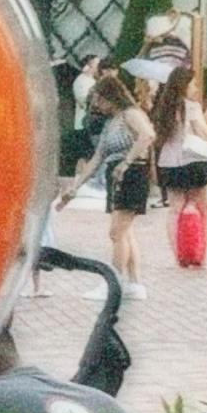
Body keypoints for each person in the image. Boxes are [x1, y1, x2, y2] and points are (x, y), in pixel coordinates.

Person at [58, 62, 155, 295]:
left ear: (111, 97)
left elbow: (147, 135)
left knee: (117, 232)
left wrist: (126, 161)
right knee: (125, 231)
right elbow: (97, 157)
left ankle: (115, 283)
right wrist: (75, 186)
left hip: (132, 172)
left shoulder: (131, 114)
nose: (98, 106)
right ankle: (134, 282)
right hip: (118, 172)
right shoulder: (112, 122)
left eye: (100, 100)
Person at [154, 64, 207, 270]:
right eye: (192, 84)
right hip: (193, 162)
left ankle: (178, 258)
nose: (195, 88)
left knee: (174, 211)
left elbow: (179, 132)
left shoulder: (164, 108)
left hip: (169, 162)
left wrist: (205, 116)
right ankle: (206, 258)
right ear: (183, 85)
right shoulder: (190, 107)